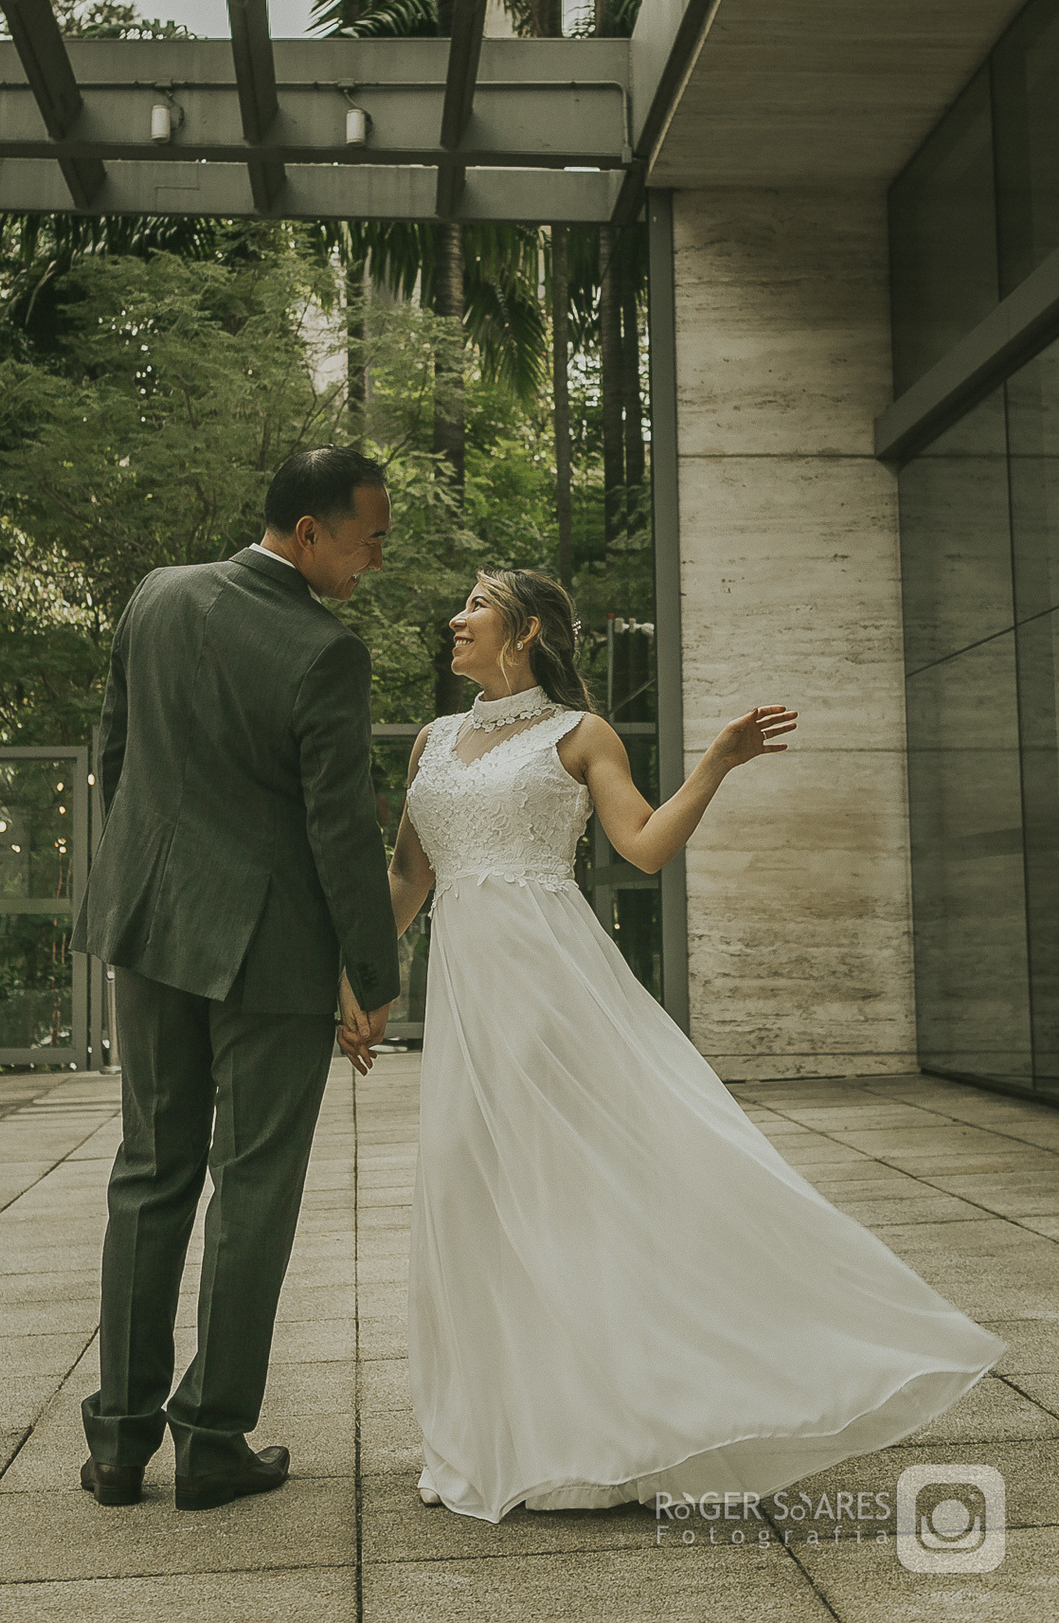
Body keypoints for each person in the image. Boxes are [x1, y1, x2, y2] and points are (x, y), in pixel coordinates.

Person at [337, 567, 1008, 1523]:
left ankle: (611, 1428)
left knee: (561, 1188)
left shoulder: (580, 734)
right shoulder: (433, 742)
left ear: (522, 631)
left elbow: (644, 845)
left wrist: (718, 762)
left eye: (476, 605)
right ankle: (506, 1428)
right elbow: (407, 874)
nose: (455, 617)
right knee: (466, 1185)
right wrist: (363, 981)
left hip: (549, 986)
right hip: (467, 991)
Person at [73, 445, 400, 1512]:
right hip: (269, 954)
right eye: (368, 540)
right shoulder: (323, 652)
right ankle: (211, 1438)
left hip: (151, 925)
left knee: (149, 1170)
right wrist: (374, 972)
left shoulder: (155, 600)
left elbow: (117, 757)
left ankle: (119, 1443)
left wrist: (141, 876)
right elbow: (343, 830)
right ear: (309, 533)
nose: (376, 561)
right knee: (251, 1187)